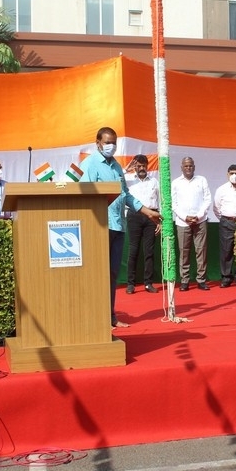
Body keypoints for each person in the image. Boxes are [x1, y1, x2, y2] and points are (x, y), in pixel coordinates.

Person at [79, 127, 161, 328]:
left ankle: (110, 317)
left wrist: (148, 212)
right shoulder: (90, 164)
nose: (111, 146)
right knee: (98, 273)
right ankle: (95, 318)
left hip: (118, 226)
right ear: (98, 142)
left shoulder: (116, 166)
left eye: (114, 142)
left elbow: (126, 195)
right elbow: (81, 193)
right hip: (98, 225)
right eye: (107, 142)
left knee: (112, 273)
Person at [171, 156, 212, 291]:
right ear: (181, 167)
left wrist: (198, 215)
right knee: (184, 252)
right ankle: (185, 280)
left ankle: (201, 280)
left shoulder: (202, 180)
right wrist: (185, 217)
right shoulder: (176, 183)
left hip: (200, 221)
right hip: (183, 222)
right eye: (186, 166)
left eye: (190, 166)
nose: (188, 168)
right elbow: (173, 203)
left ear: (194, 167)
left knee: (201, 251)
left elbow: (207, 199)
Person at [125, 155, 161, 294]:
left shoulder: (154, 181)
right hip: (134, 216)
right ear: (135, 167)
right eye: (138, 166)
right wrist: (126, 169)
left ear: (147, 166)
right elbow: (115, 180)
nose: (141, 168)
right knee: (133, 250)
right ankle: (130, 284)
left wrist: (160, 221)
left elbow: (161, 201)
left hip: (152, 216)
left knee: (149, 252)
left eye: (143, 166)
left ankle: (148, 283)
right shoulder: (128, 181)